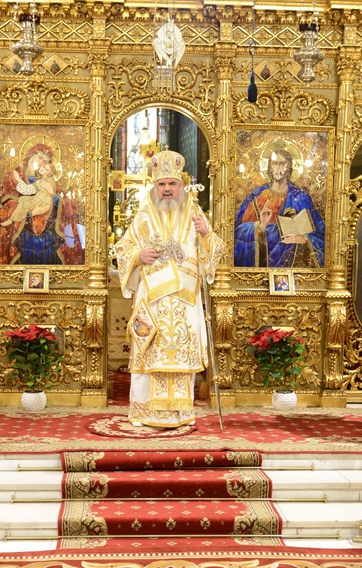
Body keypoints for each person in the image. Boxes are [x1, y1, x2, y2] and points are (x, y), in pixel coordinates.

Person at [114, 150, 223, 428]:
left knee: (181, 355)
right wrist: (138, 256)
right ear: (154, 186)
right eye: (161, 184)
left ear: (181, 185)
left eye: (172, 184)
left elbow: (213, 254)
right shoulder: (143, 217)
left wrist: (206, 233)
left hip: (185, 299)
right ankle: (143, 412)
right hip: (152, 298)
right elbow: (123, 249)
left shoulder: (195, 214)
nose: (167, 189)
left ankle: (180, 414)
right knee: (148, 352)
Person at [234, 146, 325, 268]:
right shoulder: (257, 197)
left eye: (282, 164)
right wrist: (261, 226)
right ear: (269, 167)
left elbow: (321, 234)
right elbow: (239, 233)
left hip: (293, 265)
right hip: (263, 263)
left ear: (289, 167)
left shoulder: (300, 197)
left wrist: (304, 239)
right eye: (275, 164)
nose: (278, 168)